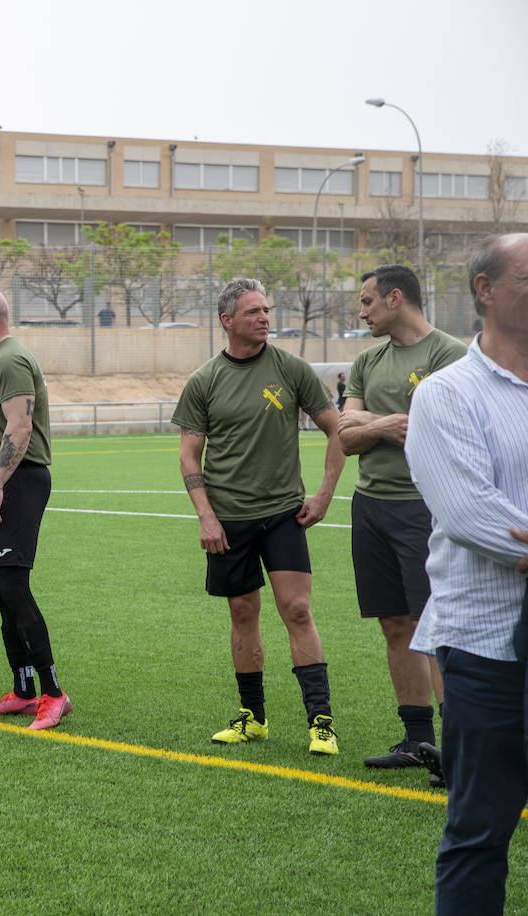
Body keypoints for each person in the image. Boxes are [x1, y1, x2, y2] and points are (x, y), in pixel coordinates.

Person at [405, 233, 528, 913]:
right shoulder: (448, 395)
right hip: (487, 644)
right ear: (486, 290)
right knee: (480, 829)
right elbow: (473, 516)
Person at [172, 277, 346, 755]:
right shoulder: (204, 380)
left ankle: (321, 723)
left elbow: (338, 431)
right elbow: (189, 457)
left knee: (297, 610)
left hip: (283, 515)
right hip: (229, 522)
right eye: (253, 312)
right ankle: (254, 718)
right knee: (243, 613)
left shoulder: (291, 369)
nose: (264, 318)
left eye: (266, 310)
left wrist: (325, 495)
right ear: (227, 321)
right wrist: (207, 518)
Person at [337, 264, 465, 776]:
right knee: (395, 624)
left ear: (395, 298)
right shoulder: (368, 359)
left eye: (367, 301)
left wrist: (375, 421)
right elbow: (345, 438)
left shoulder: (448, 354)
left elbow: (432, 428)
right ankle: (417, 741)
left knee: (437, 627)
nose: (361, 311)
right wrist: (387, 423)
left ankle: (460, 748)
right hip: (370, 505)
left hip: (425, 508)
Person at [0, 287, 69, 730]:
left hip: (18, 479)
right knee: (2, 588)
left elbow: (19, 427)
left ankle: (53, 693)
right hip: (8, 479)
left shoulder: (8, 359)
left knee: (14, 588)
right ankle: (24, 692)